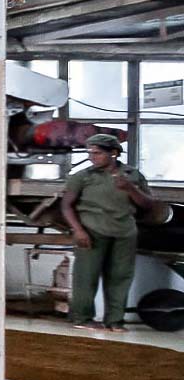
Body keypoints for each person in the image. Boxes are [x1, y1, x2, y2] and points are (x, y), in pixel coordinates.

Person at [58, 132, 157, 332]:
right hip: (92, 231)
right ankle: (82, 317)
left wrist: (130, 189)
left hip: (124, 232)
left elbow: (148, 204)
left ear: (113, 153)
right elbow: (66, 206)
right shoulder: (83, 177)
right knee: (86, 276)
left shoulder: (132, 176)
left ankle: (115, 320)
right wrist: (78, 230)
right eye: (90, 153)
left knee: (120, 277)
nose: (92, 157)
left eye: (97, 153)